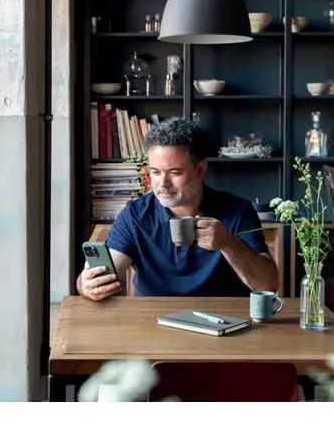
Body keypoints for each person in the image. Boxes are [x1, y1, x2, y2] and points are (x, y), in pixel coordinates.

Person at [77, 118, 279, 300]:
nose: (162, 184)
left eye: (174, 172)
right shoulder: (135, 215)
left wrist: (228, 243)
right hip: (152, 322)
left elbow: (268, 286)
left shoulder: (237, 211)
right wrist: (86, 285)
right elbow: (105, 274)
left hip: (223, 322)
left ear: (200, 169)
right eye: (155, 172)